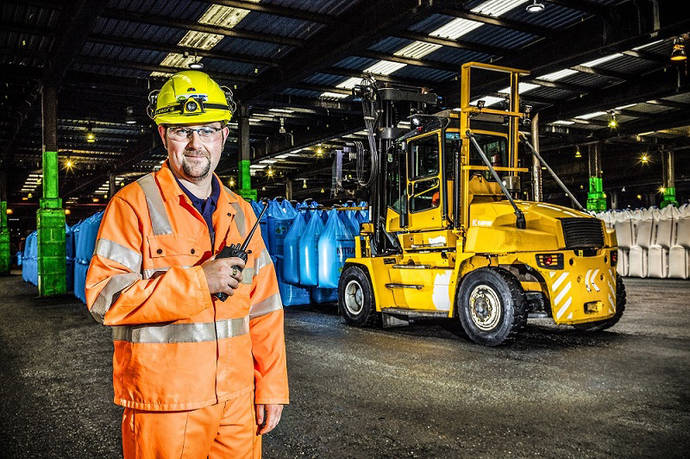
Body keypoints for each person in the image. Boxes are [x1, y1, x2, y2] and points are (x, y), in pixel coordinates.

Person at [85, 70, 288, 458]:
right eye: (182, 131)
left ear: (225, 136)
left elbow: (265, 310)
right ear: (163, 135)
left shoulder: (241, 213)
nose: (196, 144)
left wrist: (272, 385)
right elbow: (104, 299)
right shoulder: (132, 204)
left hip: (237, 402)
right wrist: (199, 282)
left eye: (208, 130)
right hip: (166, 404)